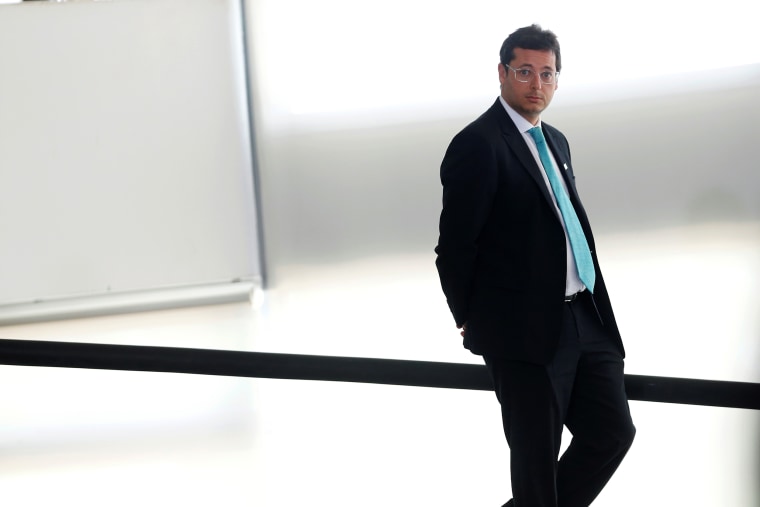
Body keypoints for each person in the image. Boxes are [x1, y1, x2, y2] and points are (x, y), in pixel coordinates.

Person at [434, 24, 635, 506]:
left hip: (583, 316)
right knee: (536, 463)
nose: (537, 84)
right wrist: (470, 318)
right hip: (522, 334)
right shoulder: (478, 145)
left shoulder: (557, 142)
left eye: (547, 74)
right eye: (525, 71)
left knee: (612, 433)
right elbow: (455, 248)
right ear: (502, 73)